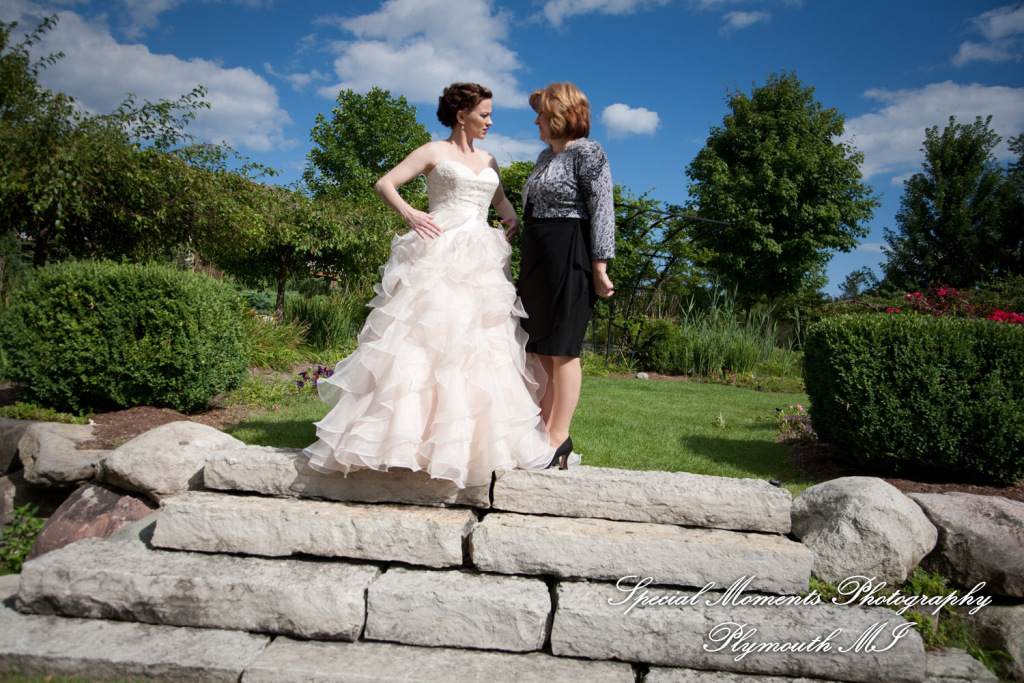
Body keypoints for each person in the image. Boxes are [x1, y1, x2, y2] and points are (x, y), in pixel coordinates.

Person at [304, 83, 554, 489]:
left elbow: (500, 201)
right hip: (437, 251)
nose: (490, 121)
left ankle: (471, 445)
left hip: (481, 260)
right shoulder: (433, 151)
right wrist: (411, 213)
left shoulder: (488, 158)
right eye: (484, 114)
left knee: (478, 344)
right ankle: (403, 440)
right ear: (461, 115)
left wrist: (511, 220)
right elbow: (385, 184)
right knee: (423, 339)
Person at [517, 82, 615, 469]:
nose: (536, 121)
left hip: (569, 250)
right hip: (538, 257)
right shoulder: (546, 155)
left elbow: (602, 207)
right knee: (539, 349)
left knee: (563, 348)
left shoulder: (588, 152)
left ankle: (559, 438)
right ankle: (541, 433)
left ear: (560, 114)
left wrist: (600, 265)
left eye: (541, 114)